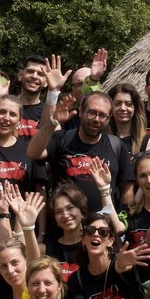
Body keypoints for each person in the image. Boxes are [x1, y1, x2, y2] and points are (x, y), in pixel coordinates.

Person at [30, 63, 129, 213]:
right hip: (65, 227)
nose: (96, 119)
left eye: (102, 115)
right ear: (81, 111)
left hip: (102, 231)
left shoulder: (117, 145)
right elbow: (33, 153)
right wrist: (52, 122)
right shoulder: (62, 139)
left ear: (109, 118)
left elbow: (126, 188)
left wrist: (123, 220)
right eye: (92, 112)